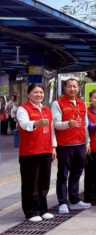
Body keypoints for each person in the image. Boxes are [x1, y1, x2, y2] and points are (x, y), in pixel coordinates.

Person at [16, 84, 56, 222]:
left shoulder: (46, 110)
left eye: (41, 92)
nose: (39, 95)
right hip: (30, 152)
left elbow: (52, 130)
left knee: (44, 182)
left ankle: (43, 209)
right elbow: (24, 124)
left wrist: (53, 147)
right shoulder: (23, 109)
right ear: (28, 94)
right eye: (35, 92)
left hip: (46, 150)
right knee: (30, 182)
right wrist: (36, 123)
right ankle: (31, 212)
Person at [52, 78, 91, 214]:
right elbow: (56, 124)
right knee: (63, 175)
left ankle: (74, 201)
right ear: (65, 88)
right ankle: (62, 202)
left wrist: (87, 142)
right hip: (65, 145)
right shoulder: (57, 103)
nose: (72, 89)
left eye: (74, 86)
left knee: (76, 174)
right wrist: (68, 124)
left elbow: (85, 125)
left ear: (79, 88)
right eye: (69, 86)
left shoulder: (82, 103)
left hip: (80, 144)